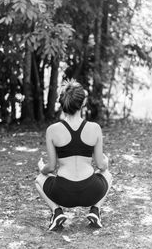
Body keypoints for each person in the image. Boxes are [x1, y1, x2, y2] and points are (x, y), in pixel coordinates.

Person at [35, 79, 112, 231]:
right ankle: (95, 210)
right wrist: (106, 162)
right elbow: (101, 165)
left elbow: (51, 167)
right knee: (107, 175)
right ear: (83, 103)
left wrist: (41, 168)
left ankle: (57, 212)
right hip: (91, 191)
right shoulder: (95, 128)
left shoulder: (52, 130)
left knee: (39, 180)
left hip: (63, 193)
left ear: (62, 103)